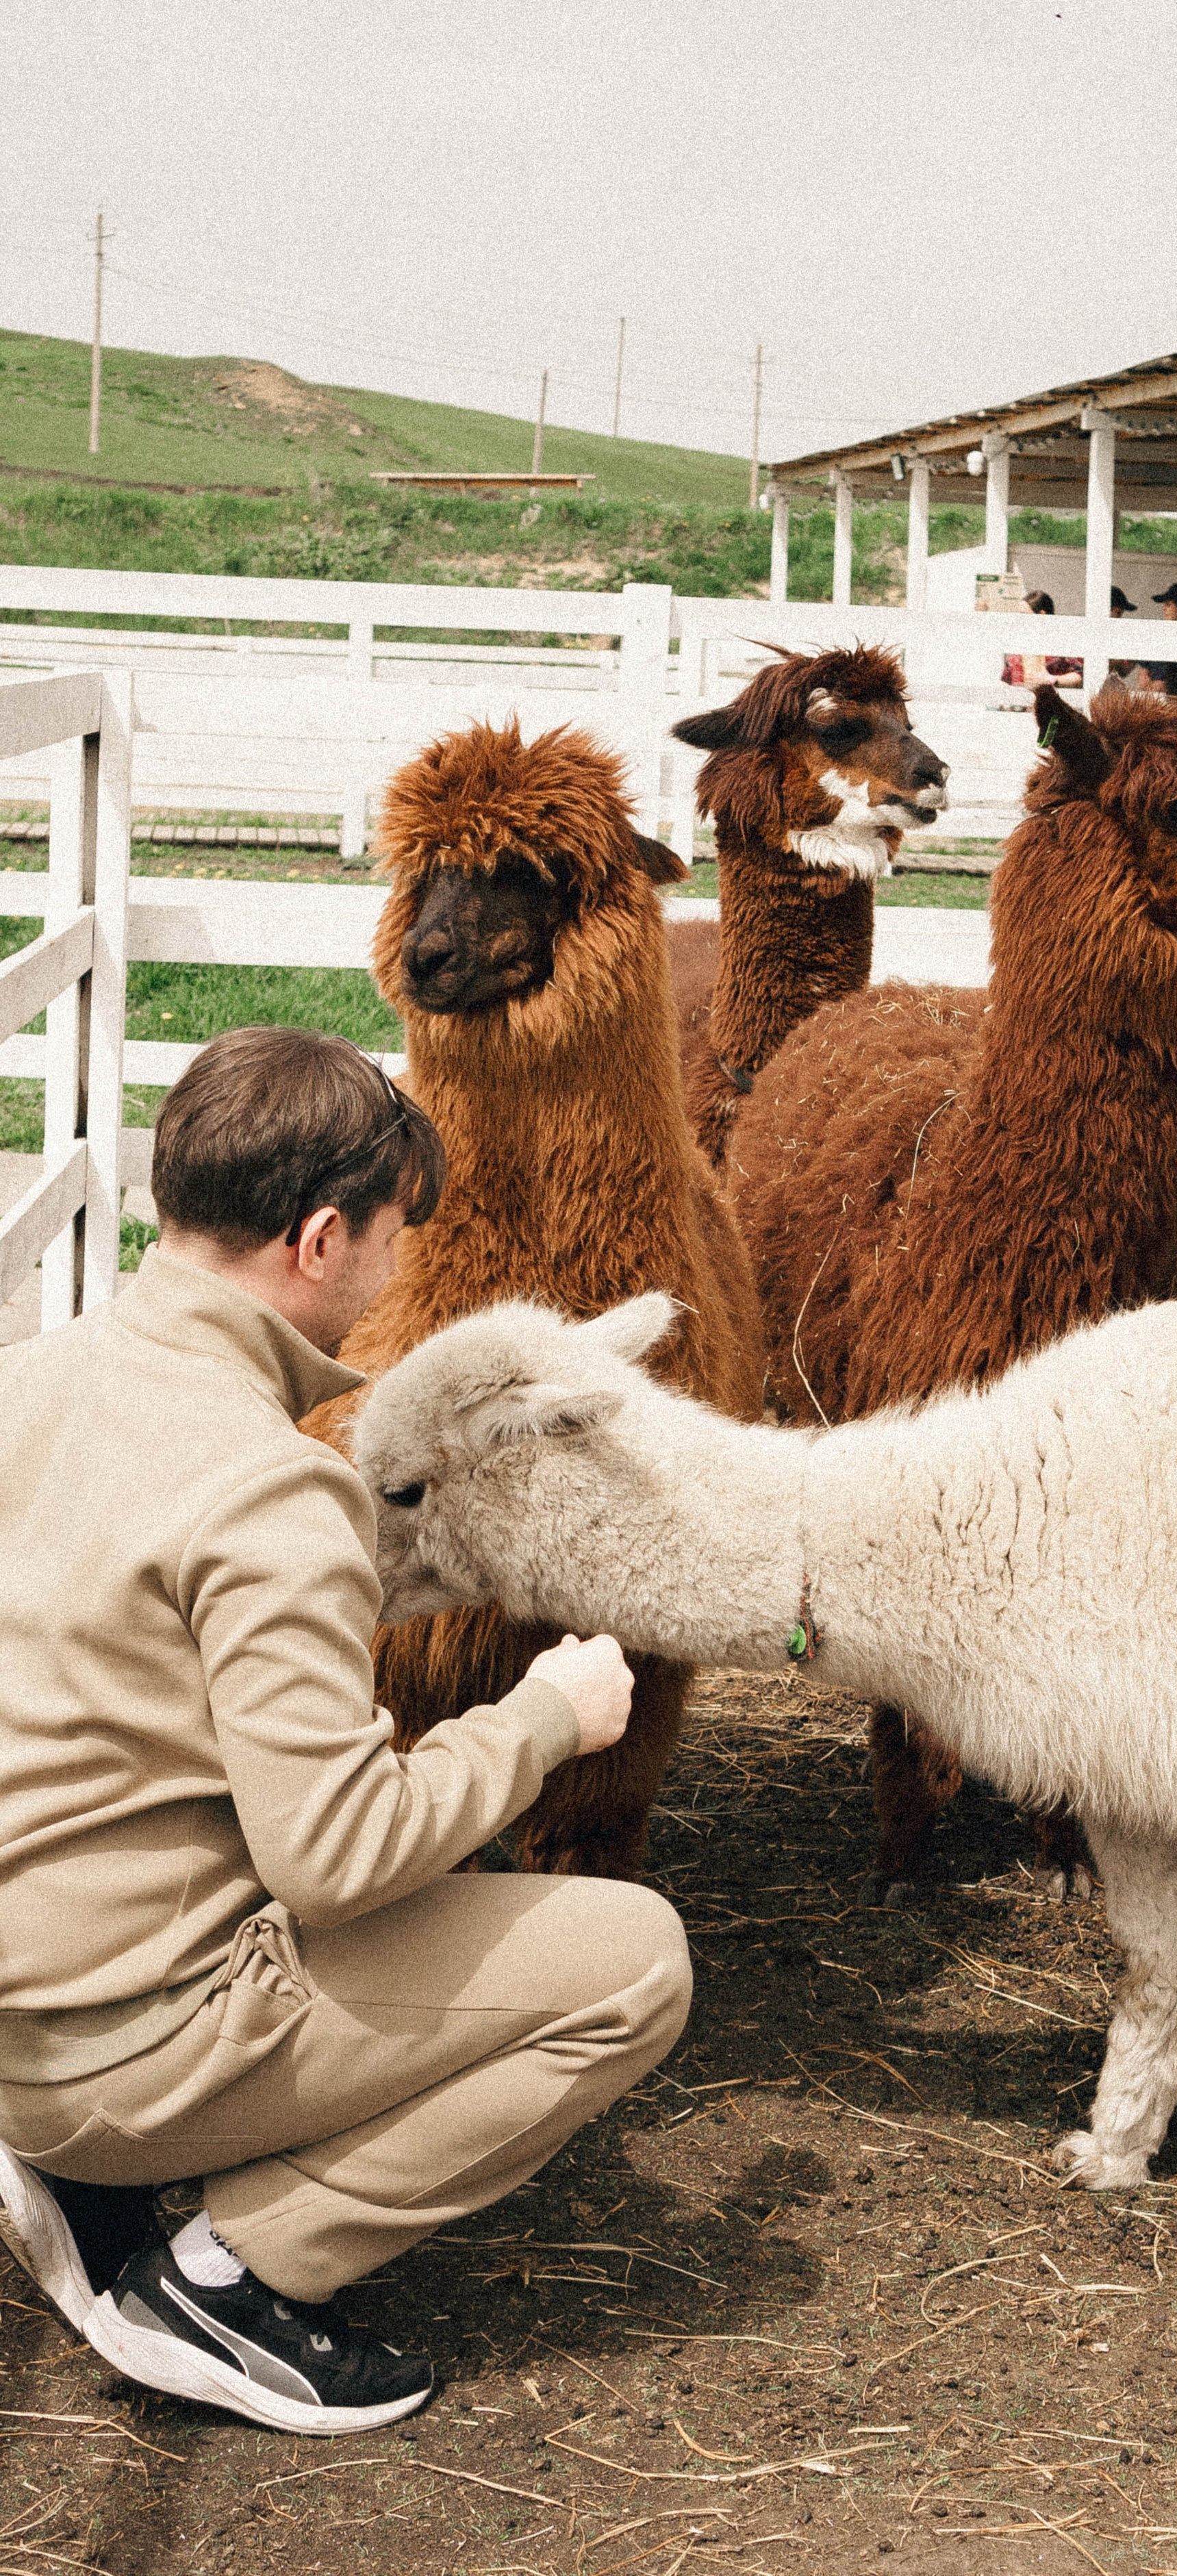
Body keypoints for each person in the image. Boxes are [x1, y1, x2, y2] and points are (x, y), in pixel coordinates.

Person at [0, 1026, 691, 2436]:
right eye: (388, 1240)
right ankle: (229, 2277)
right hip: (132, 2049)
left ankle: (83, 2173)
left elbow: (127, 1630)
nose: (390, 1276)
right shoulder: (270, 1491)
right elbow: (335, 1854)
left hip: (21, 2002)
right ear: (321, 1237)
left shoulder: (38, 1378)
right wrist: (542, 1722)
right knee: (636, 1963)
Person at [1002, 590, 1083, 689]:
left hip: (1050, 701)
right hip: (1018, 701)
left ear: (1042, 616)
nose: (1019, 621)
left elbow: (1079, 676)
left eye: (1024, 615)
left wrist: (1051, 679)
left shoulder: (1063, 642)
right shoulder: (1018, 643)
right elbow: (1006, 680)